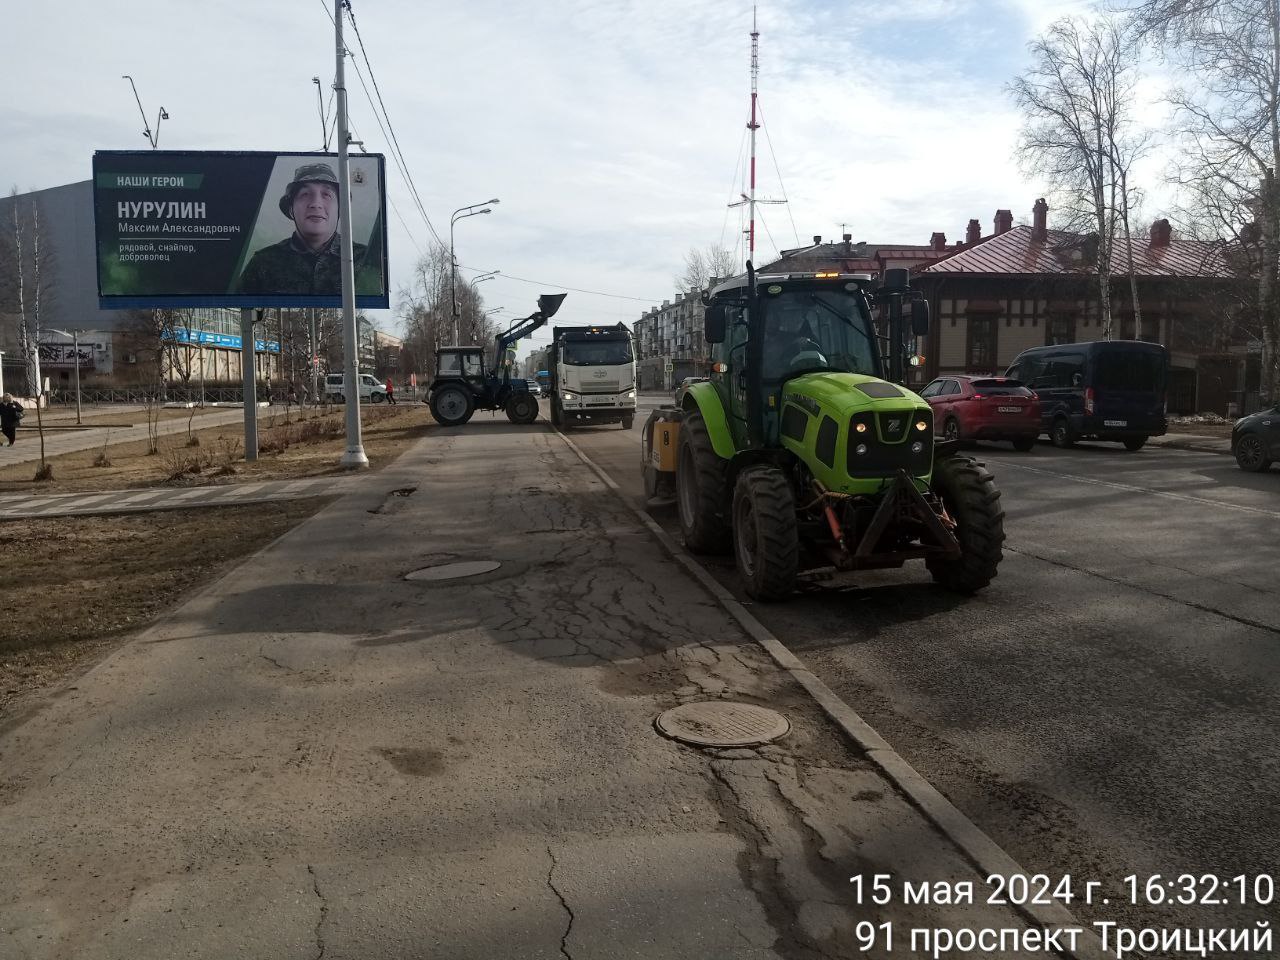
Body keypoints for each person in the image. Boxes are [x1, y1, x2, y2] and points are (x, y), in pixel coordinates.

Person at [236, 162, 370, 297]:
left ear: (340, 209)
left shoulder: (364, 259)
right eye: (305, 194)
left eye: (326, 195)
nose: (316, 204)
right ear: (291, 209)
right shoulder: (263, 262)